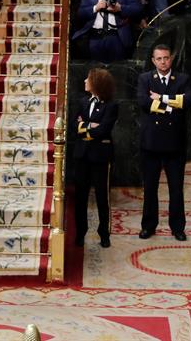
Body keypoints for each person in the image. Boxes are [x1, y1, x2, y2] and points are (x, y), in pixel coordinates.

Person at [137, 45, 191, 241]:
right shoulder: (145, 79)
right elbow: (143, 102)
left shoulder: (183, 79)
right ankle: (148, 226)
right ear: (153, 60)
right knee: (150, 188)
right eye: (159, 58)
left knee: (176, 188)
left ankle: (178, 227)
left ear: (171, 59)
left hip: (175, 144)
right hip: (150, 143)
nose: (163, 62)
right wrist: (170, 107)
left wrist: (160, 98)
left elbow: (187, 102)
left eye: (166, 58)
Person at [74, 68, 118, 248]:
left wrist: (84, 127)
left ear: (97, 83)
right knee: (80, 196)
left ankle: (104, 233)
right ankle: (80, 232)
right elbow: (73, 126)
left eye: (89, 78)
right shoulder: (82, 102)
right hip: (82, 155)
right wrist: (91, 126)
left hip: (100, 156)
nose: (85, 80)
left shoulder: (111, 106)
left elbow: (104, 129)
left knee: (102, 196)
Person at [73, 0, 142, 62]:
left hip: (117, 37)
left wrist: (120, 8)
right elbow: (80, 14)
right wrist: (95, 8)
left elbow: (137, 10)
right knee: (96, 71)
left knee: (117, 71)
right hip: (94, 37)